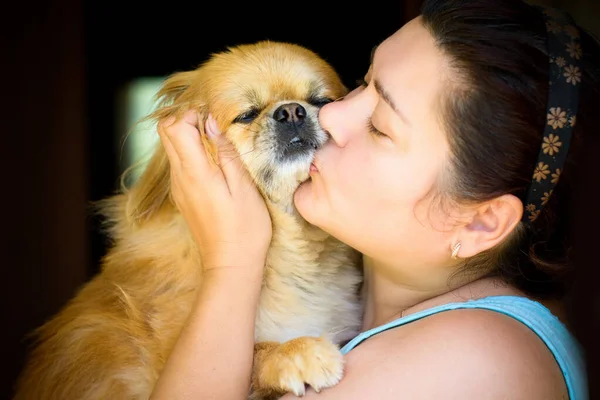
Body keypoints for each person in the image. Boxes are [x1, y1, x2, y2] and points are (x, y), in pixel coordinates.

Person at [150, 0, 596, 398]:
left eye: (380, 125)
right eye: (362, 85)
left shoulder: (472, 359)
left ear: (479, 222)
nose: (333, 112)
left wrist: (230, 263)